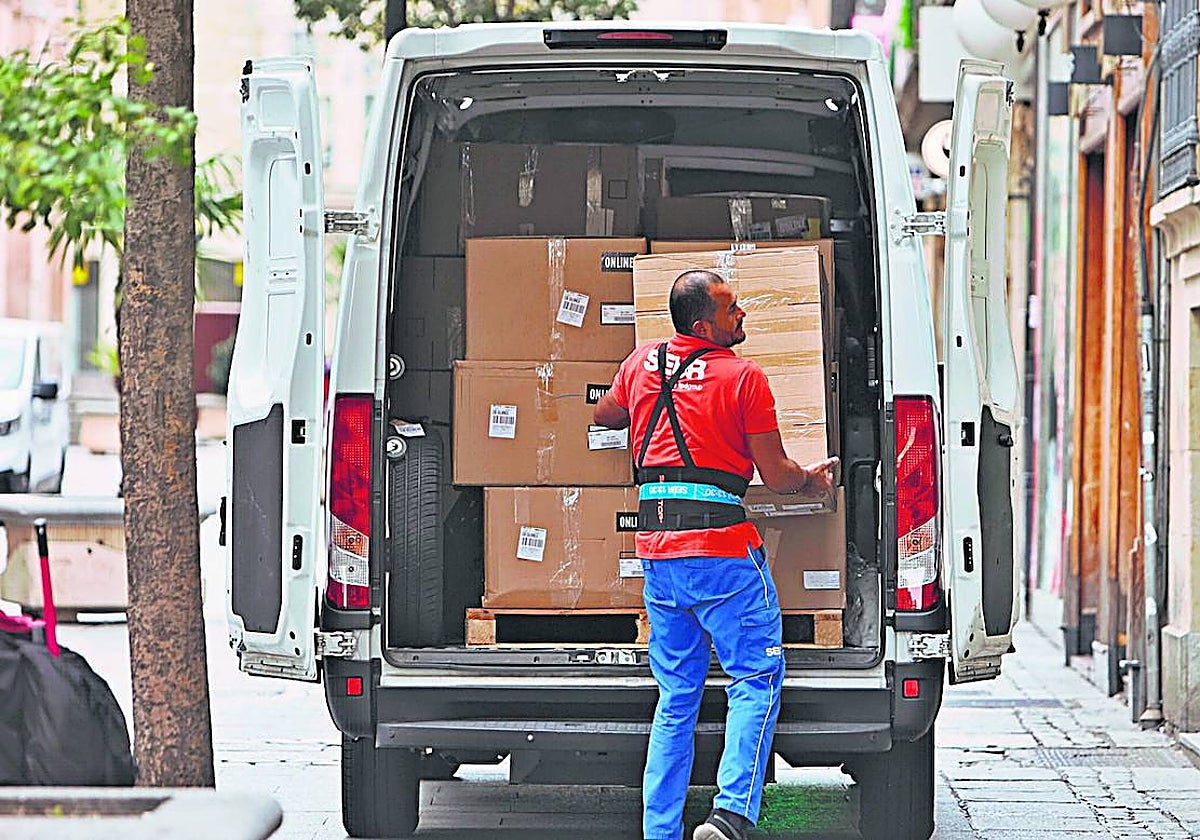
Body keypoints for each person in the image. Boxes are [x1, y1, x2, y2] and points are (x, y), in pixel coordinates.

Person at [593, 270, 838, 840]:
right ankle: (730, 816)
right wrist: (814, 480)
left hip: (659, 554)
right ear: (704, 326)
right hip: (724, 553)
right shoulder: (743, 377)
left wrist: (641, 398)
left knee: (676, 696)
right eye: (732, 309)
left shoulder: (642, 362)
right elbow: (777, 477)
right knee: (754, 677)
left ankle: (660, 831)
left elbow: (604, 415)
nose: (743, 314)